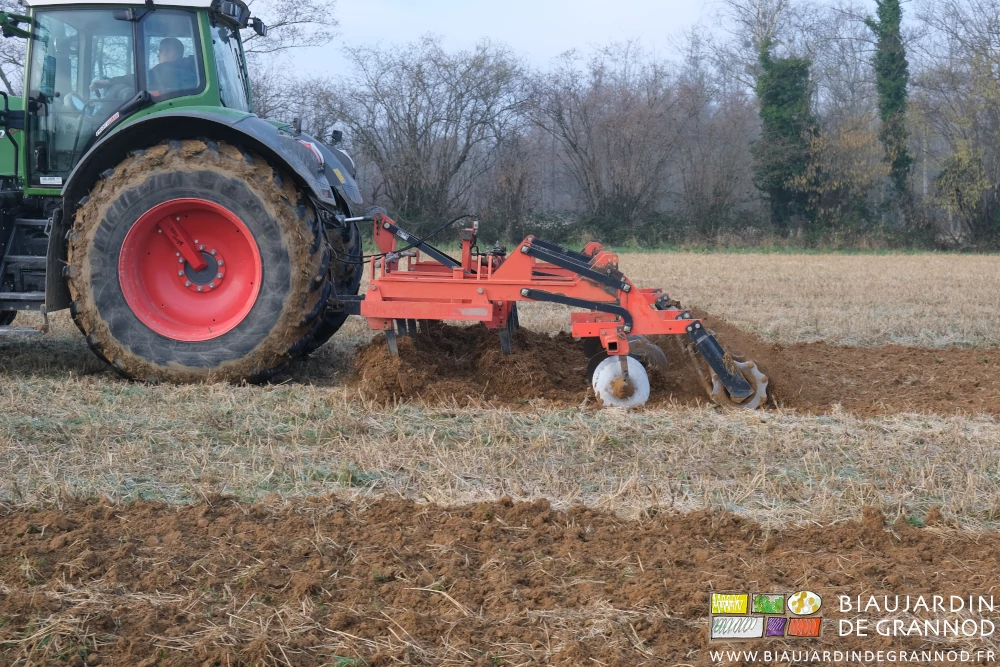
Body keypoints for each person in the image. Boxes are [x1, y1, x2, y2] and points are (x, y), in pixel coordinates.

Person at [90, 37, 194, 98]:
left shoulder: (165, 70)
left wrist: (108, 82)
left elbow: (139, 79)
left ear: (171, 52)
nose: (158, 55)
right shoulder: (191, 70)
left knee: (119, 90)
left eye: (160, 51)